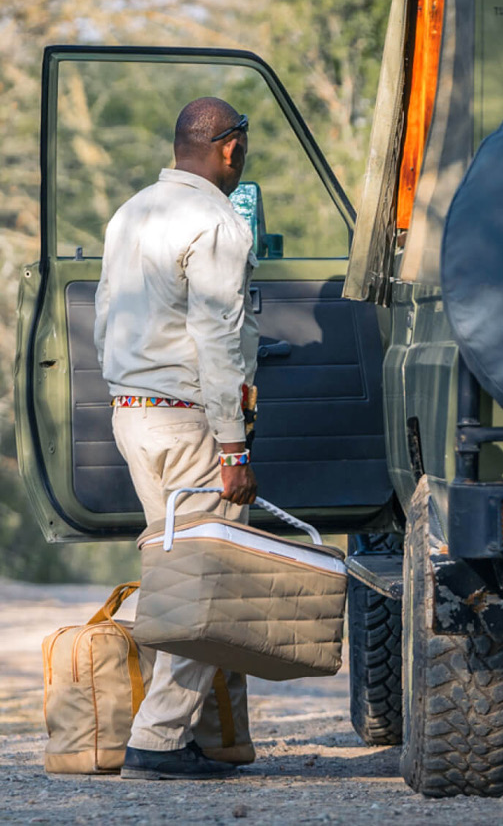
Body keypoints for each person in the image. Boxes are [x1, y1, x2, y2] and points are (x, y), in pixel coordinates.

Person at [94, 97, 259, 780]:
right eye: (242, 145)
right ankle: (157, 740)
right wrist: (233, 445)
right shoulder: (215, 220)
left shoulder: (133, 210)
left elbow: (106, 315)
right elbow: (217, 338)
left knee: (172, 573)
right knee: (207, 582)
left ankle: (167, 727)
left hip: (132, 412)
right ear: (227, 146)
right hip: (190, 420)